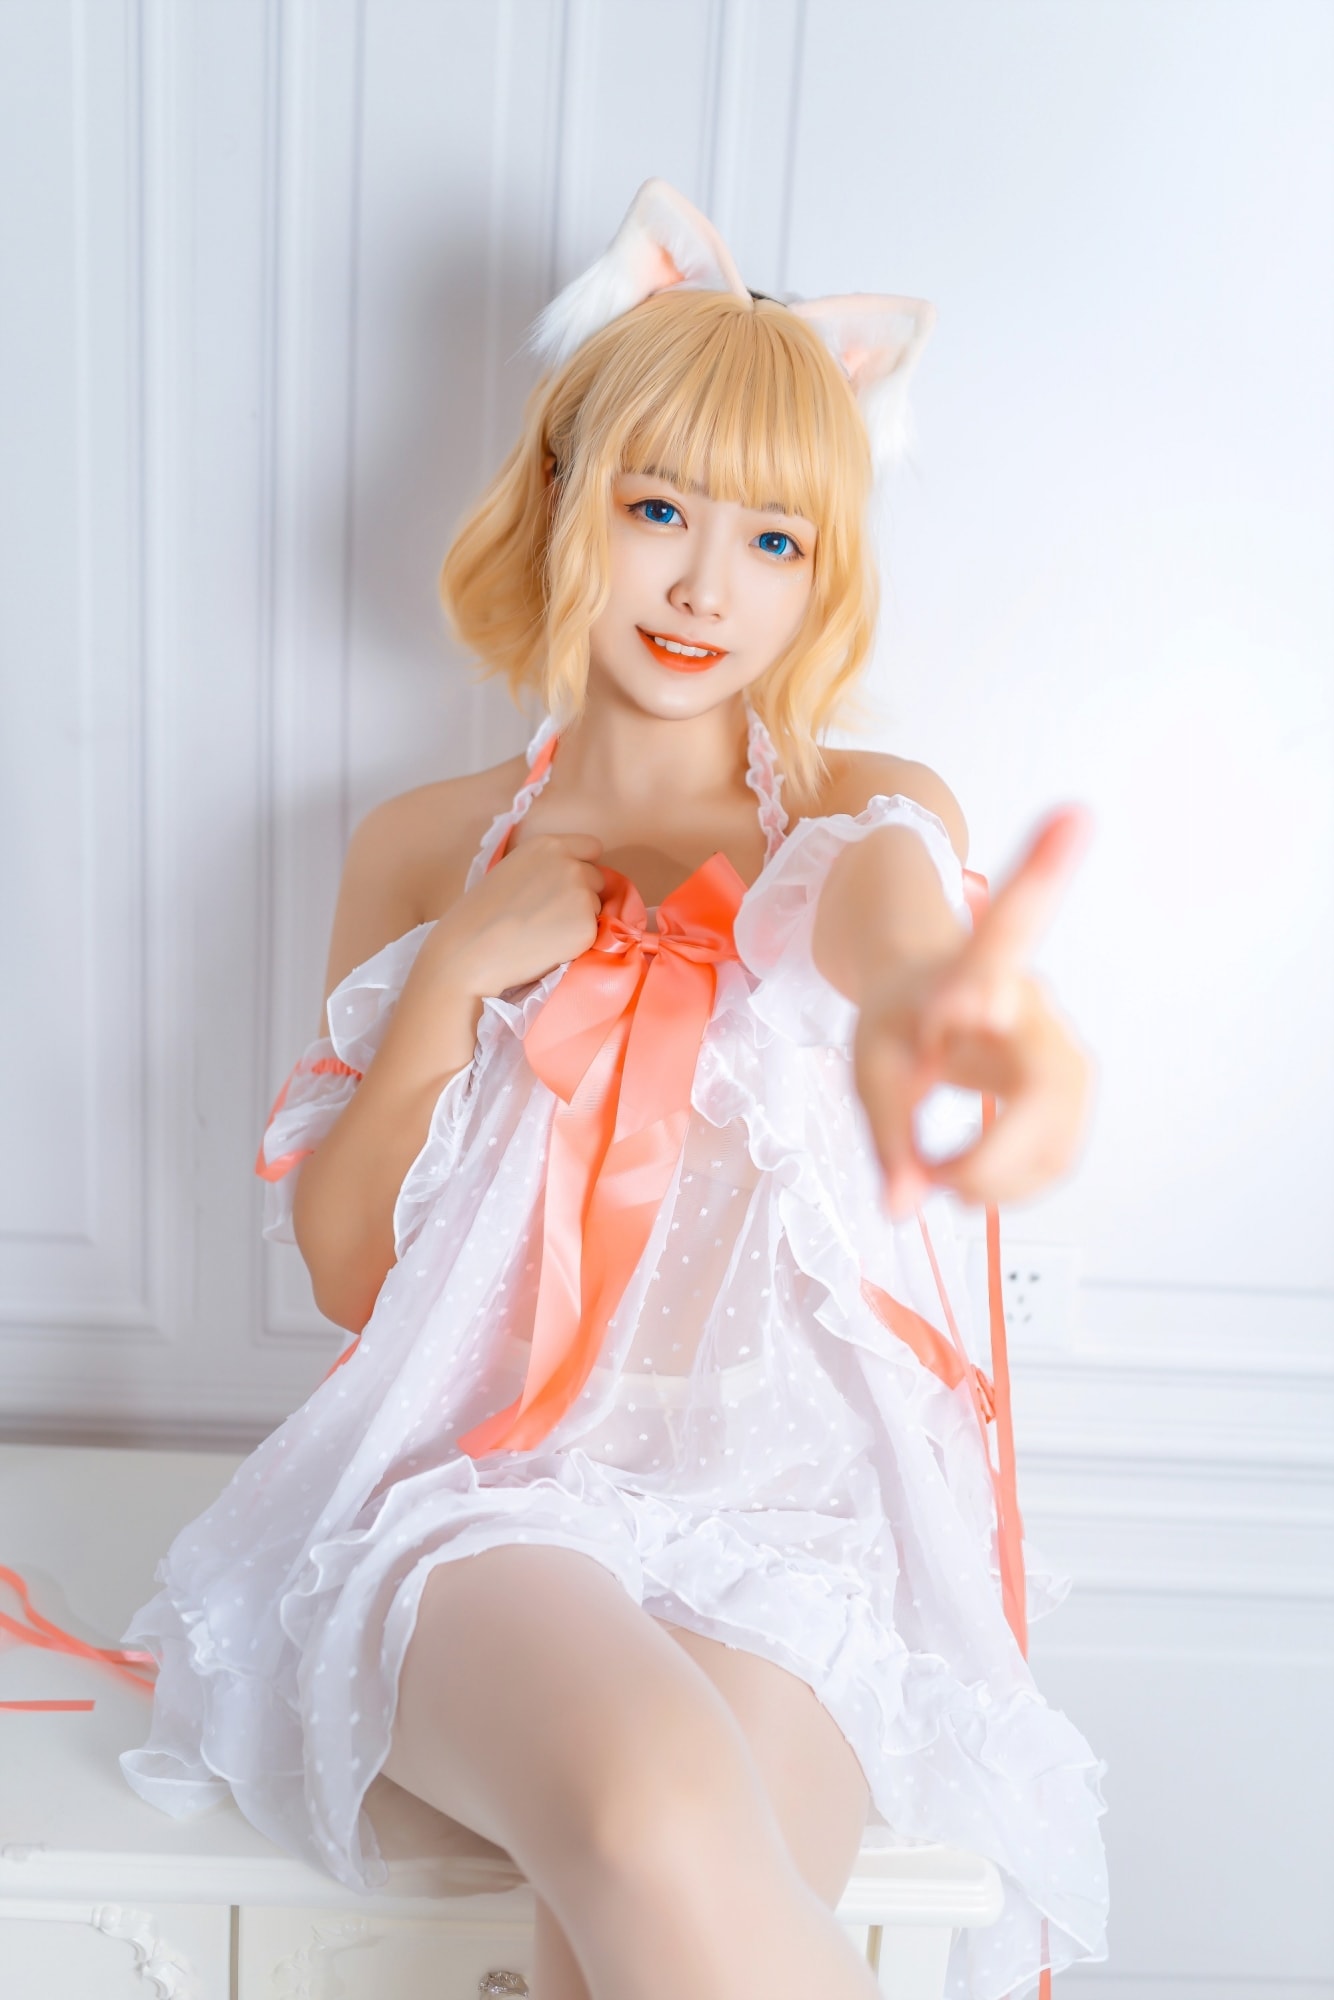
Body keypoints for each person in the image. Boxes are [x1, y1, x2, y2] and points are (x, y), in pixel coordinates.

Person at [117, 181, 1109, 1999]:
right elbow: (347, 1275)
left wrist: (960, 1023)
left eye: (772, 539)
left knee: (633, 1945)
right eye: (659, 510)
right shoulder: (422, 846)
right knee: (652, 1812)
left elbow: (890, 937)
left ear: (821, 575)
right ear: (566, 499)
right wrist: (452, 975)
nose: (705, 586)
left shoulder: (857, 812)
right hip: (485, 1494)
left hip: (796, 1517)